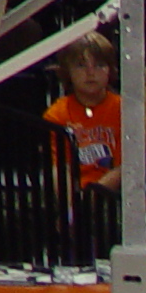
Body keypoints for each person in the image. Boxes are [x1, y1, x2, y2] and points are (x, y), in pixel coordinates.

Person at [42, 32, 121, 192]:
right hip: (73, 195)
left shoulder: (123, 109)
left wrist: (95, 194)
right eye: (81, 65)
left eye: (99, 65)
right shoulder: (56, 114)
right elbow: (59, 168)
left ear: (110, 70)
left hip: (113, 195)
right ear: (67, 71)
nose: (90, 73)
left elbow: (125, 167)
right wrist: (73, 205)